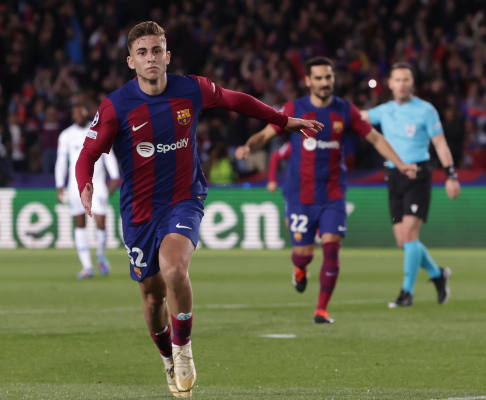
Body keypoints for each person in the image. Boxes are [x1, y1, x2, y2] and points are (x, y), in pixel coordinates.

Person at [76, 22, 323, 398]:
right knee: (152, 296)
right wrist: (85, 183)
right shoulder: (115, 106)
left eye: (157, 50)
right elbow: (88, 153)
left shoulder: (191, 88)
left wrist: (282, 120)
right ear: (131, 61)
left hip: (184, 197)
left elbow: (237, 100)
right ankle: (166, 358)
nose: (151, 58)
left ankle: (184, 350)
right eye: (142, 53)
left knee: (175, 269)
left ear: (167, 55)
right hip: (139, 211)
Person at [236, 56, 416, 324]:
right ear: (308, 81)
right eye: (318, 78)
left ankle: (321, 309)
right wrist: (250, 146)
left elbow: (375, 138)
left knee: (332, 248)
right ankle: (299, 268)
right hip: (300, 195)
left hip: (333, 193)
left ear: (334, 79)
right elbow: (266, 133)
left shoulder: (345, 109)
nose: (324, 82)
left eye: (328, 77)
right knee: (304, 255)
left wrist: (400, 163)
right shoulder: (294, 107)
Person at [361, 62, 459, 308]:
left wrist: (451, 175)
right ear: (391, 85)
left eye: (406, 79)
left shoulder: (426, 110)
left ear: (412, 83)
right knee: (402, 240)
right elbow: (357, 117)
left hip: (418, 173)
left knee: (410, 234)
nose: (402, 84)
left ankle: (407, 293)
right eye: (397, 80)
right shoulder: (384, 111)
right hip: (393, 176)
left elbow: (440, 144)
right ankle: (438, 275)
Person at [55, 103, 120, 279]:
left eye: (80, 111)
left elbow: (108, 154)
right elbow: (61, 161)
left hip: (97, 184)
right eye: (74, 113)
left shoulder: (98, 130)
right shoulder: (66, 135)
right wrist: (59, 184)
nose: (77, 115)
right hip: (75, 186)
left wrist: (114, 176)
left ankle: (100, 253)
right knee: (80, 223)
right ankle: (87, 266)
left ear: (86, 113)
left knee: (100, 221)